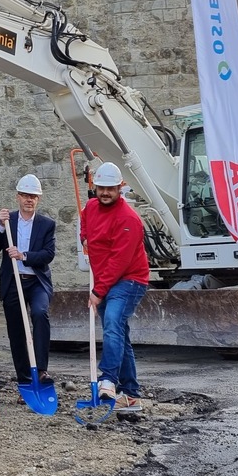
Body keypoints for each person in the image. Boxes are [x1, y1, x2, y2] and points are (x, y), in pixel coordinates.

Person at [80, 161, 149, 413]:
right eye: (101, 188)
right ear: (95, 187)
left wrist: (98, 292)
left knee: (111, 322)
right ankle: (131, 394)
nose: (105, 193)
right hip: (105, 278)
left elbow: (120, 261)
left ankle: (108, 378)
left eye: (110, 188)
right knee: (120, 334)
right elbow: (85, 224)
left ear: (120, 187)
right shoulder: (90, 206)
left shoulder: (129, 219)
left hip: (130, 279)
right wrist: (84, 238)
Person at [0, 174, 57, 396]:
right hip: (13, 282)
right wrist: (0, 227)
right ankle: (25, 380)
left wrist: (23, 255)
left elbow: (48, 254)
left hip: (36, 281)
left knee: (40, 313)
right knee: (17, 331)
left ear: (38, 199)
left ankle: (41, 370)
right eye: (25, 196)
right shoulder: (8, 220)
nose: (29, 200)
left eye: (33, 196)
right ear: (18, 197)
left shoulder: (47, 224)